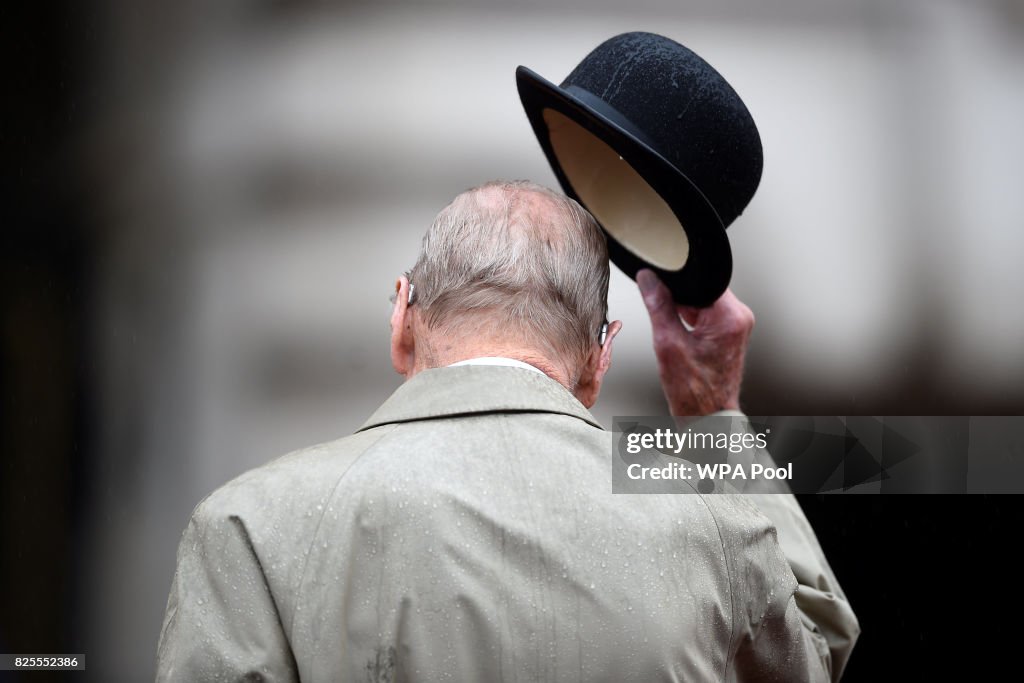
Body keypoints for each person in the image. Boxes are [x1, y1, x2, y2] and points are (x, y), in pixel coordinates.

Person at [156, 180, 858, 682]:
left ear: (403, 317)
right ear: (599, 357)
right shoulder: (713, 528)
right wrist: (712, 417)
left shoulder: (249, 528)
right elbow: (816, 648)